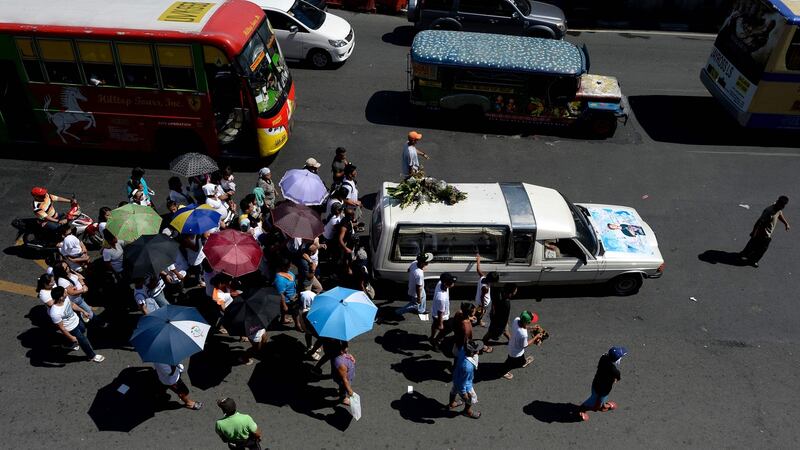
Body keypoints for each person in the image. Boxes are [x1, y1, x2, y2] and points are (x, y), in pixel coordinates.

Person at [49, 286, 105, 362]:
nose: (66, 292)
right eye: (64, 292)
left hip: (77, 321)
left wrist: (83, 311)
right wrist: (71, 337)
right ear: (61, 298)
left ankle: (70, 344)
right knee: (83, 340)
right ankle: (92, 356)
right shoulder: (55, 312)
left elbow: (72, 305)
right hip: (71, 328)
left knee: (82, 330)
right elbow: (61, 328)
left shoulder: (66, 299)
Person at [579, 346, 628, 421]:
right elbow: (617, 378)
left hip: (596, 383)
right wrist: (615, 379)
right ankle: (582, 409)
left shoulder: (603, 358)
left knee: (598, 398)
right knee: (595, 402)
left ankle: (603, 405)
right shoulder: (614, 370)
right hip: (602, 390)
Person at [740, 195, 790, 267]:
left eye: (784, 205)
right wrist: (754, 232)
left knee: (753, 243)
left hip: (766, 234)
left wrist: (786, 223)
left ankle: (744, 254)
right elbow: (759, 222)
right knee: (762, 249)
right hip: (763, 234)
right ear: (778, 203)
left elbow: (779, 214)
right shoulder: (768, 211)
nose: (783, 207)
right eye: (782, 205)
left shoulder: (778, 208)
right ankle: (753, 261)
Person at [448, 340, 481, 419]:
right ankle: (467, 411)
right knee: (471, 398)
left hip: (456, 376)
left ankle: (452, 403)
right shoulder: (468, 367)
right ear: (472, 353)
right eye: (477, 350)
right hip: (466, 385)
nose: (479, 350)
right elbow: (463, 383)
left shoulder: (463, 349)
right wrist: (464, 393)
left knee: (454, 390)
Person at [502, 311, 539, 380]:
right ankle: (503, 372)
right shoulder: (523, 334)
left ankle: (523, 362)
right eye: (530, 321)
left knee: (520, 359)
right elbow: (525, 345)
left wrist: (531, 327)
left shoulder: (516, 320)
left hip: (512, 344)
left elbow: (523, 325)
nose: (531, 322)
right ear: (527, 322)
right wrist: (536, 337)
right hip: (515, 352)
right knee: (509, 362)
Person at [430, 272, 457, 349]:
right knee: (448, 329)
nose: (453, 283)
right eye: (451, 282)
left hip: (435, 313)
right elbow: (440, 312)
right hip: (442, 317)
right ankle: (436, 341)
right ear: (445, 283)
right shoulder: (441, 297)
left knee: (434, 325)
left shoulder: (440, 283)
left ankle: (432, 337)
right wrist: (441, 323)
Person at [473, 254, 499, 328]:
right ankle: (479, 321)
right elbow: (482, 297)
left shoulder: (483, 277)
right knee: (481, 313)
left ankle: (477, 318)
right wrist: (483, 307)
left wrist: (478, 260)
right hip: (482, 303)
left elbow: (478, 269)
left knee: (479, 311)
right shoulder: (486, 288)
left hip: (478, 301)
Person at [274, 259, 301, 330]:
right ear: (283, 267)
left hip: (293, 295)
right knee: (295, 312)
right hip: (288, 299)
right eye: (289, 266)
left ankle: (283, 319)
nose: (290, 267)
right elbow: (281, 294)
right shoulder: (279, 280)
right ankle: (297, 325)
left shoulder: (288, 273)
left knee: (285, 311)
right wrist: (284, 305)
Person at [333, 341, 356, 406]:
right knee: (344, 388)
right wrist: (350, 391)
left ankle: (341, 391)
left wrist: (351, 357)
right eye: (346, 347)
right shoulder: (340, 364)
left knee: (343, 387)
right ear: (341, 351)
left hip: (348, 376)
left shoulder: (343, 354)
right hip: (345, 380)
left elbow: (347, 355)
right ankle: (343, 398)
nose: (347, 348)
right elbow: (344, 379)